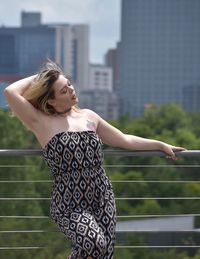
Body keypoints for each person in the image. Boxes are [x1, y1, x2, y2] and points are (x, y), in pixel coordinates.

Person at [4, 60, 185, 259]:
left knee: (104, 253)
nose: (71, 91)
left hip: (102, 195)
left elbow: (125, 140)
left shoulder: (89, 116)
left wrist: (159, 145)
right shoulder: (41, 122)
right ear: (51, 101)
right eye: (64, 91)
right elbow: (11, 92)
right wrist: (45, 75)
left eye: (69, 84)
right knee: (94, 244)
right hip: (68, 203)